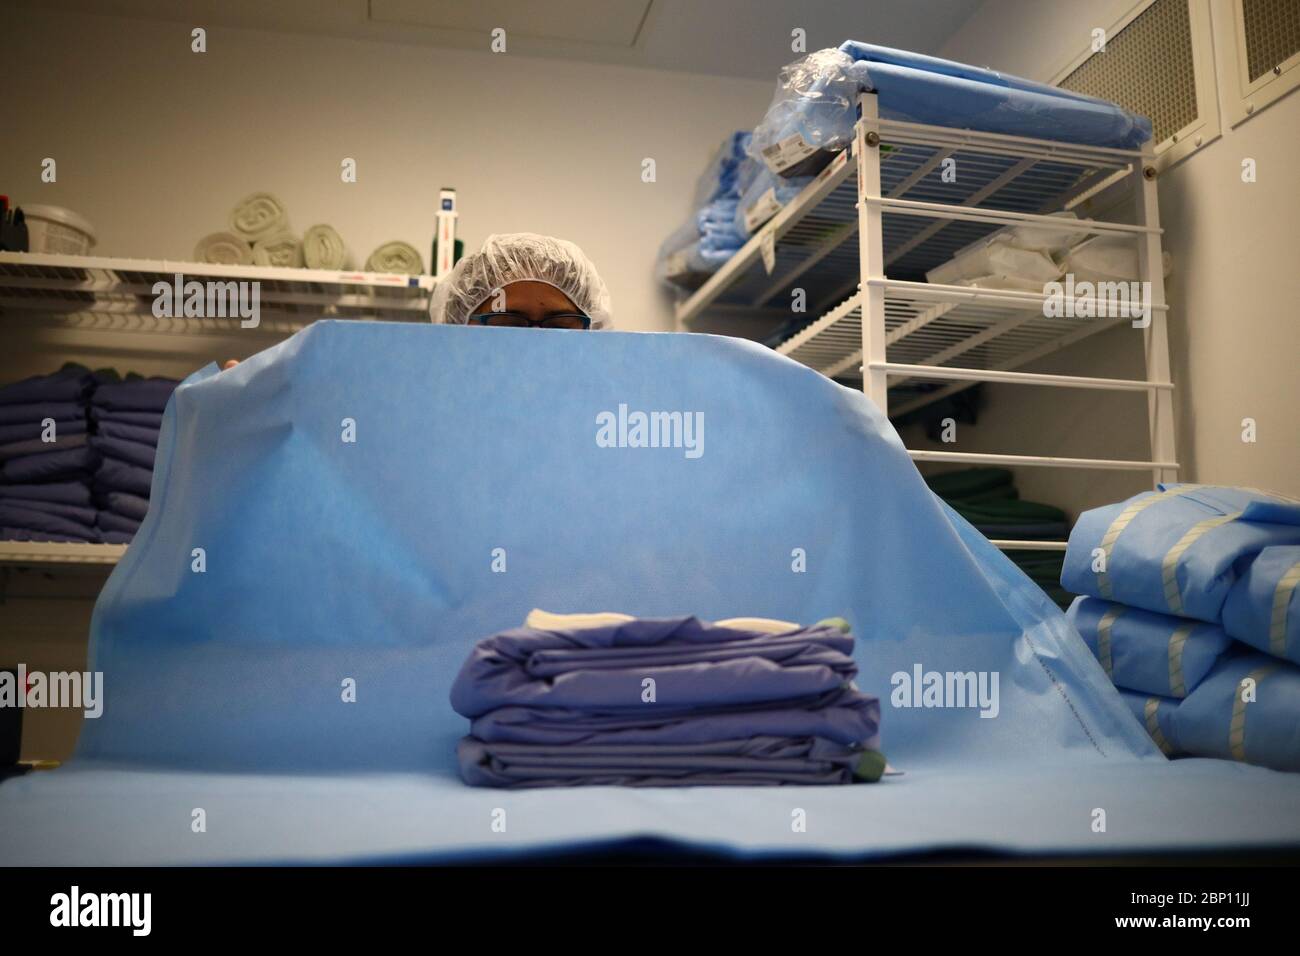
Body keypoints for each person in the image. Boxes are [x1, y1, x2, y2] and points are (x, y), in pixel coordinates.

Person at [222, 233, 611, 369]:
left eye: (561, 326)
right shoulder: (413, 414)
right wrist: (256, 411)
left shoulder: (607, 430)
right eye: (509, 323)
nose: (535, 343)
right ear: (458, 328)